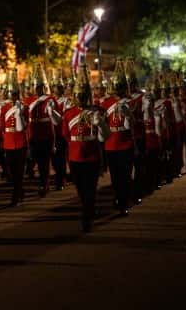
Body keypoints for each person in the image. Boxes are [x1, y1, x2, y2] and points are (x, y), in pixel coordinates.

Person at [61, 64, 110, 232]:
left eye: (83, 95)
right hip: (75, 156)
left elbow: (105, 136)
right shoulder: (68, 113)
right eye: (78, 95)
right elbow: (66, 135)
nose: (80, 98)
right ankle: (88, 208)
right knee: (81, 189)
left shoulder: (97, 111)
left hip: (92, 156)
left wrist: (100, 123)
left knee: (90, 189)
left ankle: (87, 218)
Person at [100, 59, 134, 216]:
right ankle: (118, 197)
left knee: (125, 175)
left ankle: (124, 202)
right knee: (115, 176)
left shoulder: (131, 102)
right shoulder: (106, 103)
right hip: (111, 143)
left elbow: (133, 124)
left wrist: (128, 115)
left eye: (121, 86)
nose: (118, 89)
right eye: (117, 86)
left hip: (125, 142)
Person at [23, 63, 61, 197]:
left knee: (45, 161)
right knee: (38, 161)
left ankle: (44, 184)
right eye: (36, 87)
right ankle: (43, 182)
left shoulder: (50, 99)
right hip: (34, 133)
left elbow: (56, 118)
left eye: (40, 87)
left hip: (46, 133)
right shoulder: (29, 100)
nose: (38, 89)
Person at [0, 68, 28, 206]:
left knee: (19, 171)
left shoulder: (24, 107)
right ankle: (20, 191)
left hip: (20, 142)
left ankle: (16, 195)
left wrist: (19, 113)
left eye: (14, 93)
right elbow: (3, 126)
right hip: (9, 142)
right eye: (11, 93)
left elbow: (25, 125)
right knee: (11, 170)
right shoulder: (4, 108)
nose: (12, 95)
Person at [124, 57, 145, 205]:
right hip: (125, 137)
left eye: (131, 83)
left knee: (139, 166)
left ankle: (137, 192)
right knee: (125, 169)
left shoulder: (142, 98)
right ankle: (124, 194)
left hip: (138, 134)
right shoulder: (121, 99)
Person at [50, 68, 70, 191]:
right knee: (53, 157)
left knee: (60, 156)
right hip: (51, 131)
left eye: (59, 87)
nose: (57, 89)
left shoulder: (66, 100)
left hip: (60, 131)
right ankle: (57, 176)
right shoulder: (51, 100)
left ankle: (61, 179)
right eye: (55, 87)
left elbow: (66, 116)